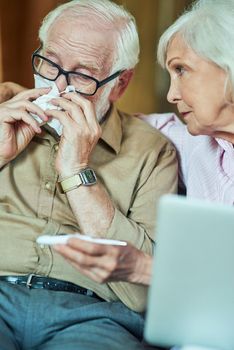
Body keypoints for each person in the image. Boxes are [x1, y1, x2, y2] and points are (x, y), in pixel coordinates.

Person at [0, 0, 177, 349]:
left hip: (94, 315)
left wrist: (76, 170)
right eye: (49, 63)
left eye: (82, 74)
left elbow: (144, 291)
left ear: (120, 83)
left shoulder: (153, 151)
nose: (59, 87)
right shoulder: (3, 108)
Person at [50, 0, 234, 289]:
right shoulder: (193, 141)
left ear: (228, 65)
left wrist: (145, 268)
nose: (172, 94)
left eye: (181, 70)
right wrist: (18, 97)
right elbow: (114, 121)